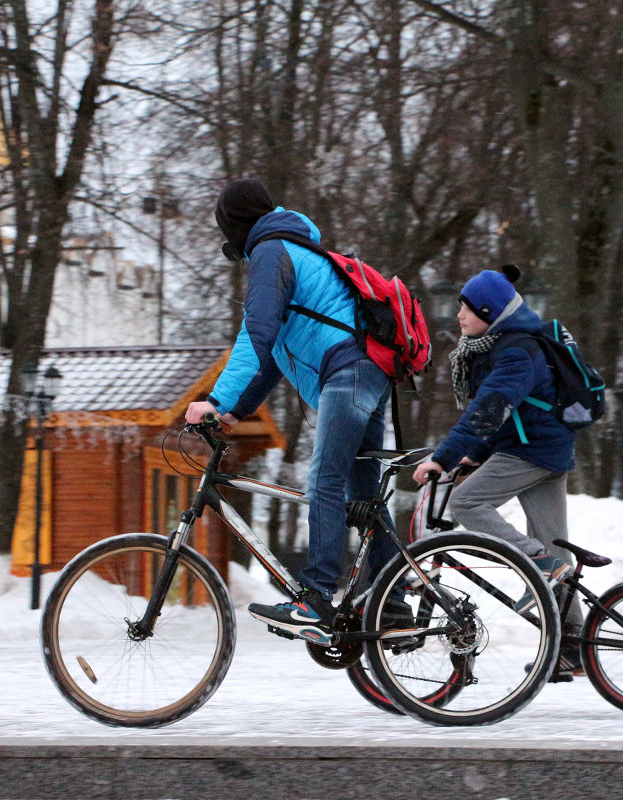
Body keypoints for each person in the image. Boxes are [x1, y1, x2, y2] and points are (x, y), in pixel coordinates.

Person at [185, 178, 405, 646]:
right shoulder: (292, 248)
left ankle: (318, 598)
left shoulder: (271, 249)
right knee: (363, 495)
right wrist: (234, 412)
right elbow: (269, 358)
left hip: (347, 373)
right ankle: (395, 602)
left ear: (234, 224)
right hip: (366, 371)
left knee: (325, 479)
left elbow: (256, 333)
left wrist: (218, 403)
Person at [413, 264, 586, 676]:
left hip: (532, 451)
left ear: (490, 312)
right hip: (545, 449)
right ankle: (575, 646)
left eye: (468, 309)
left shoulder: (515, 350)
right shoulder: (509, 345)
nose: (459, 316)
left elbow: (488, 410)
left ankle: (537, 565)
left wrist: (444, 457)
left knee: (467, 503)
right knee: (555, 546)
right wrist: (476, 454)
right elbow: (512, 414)